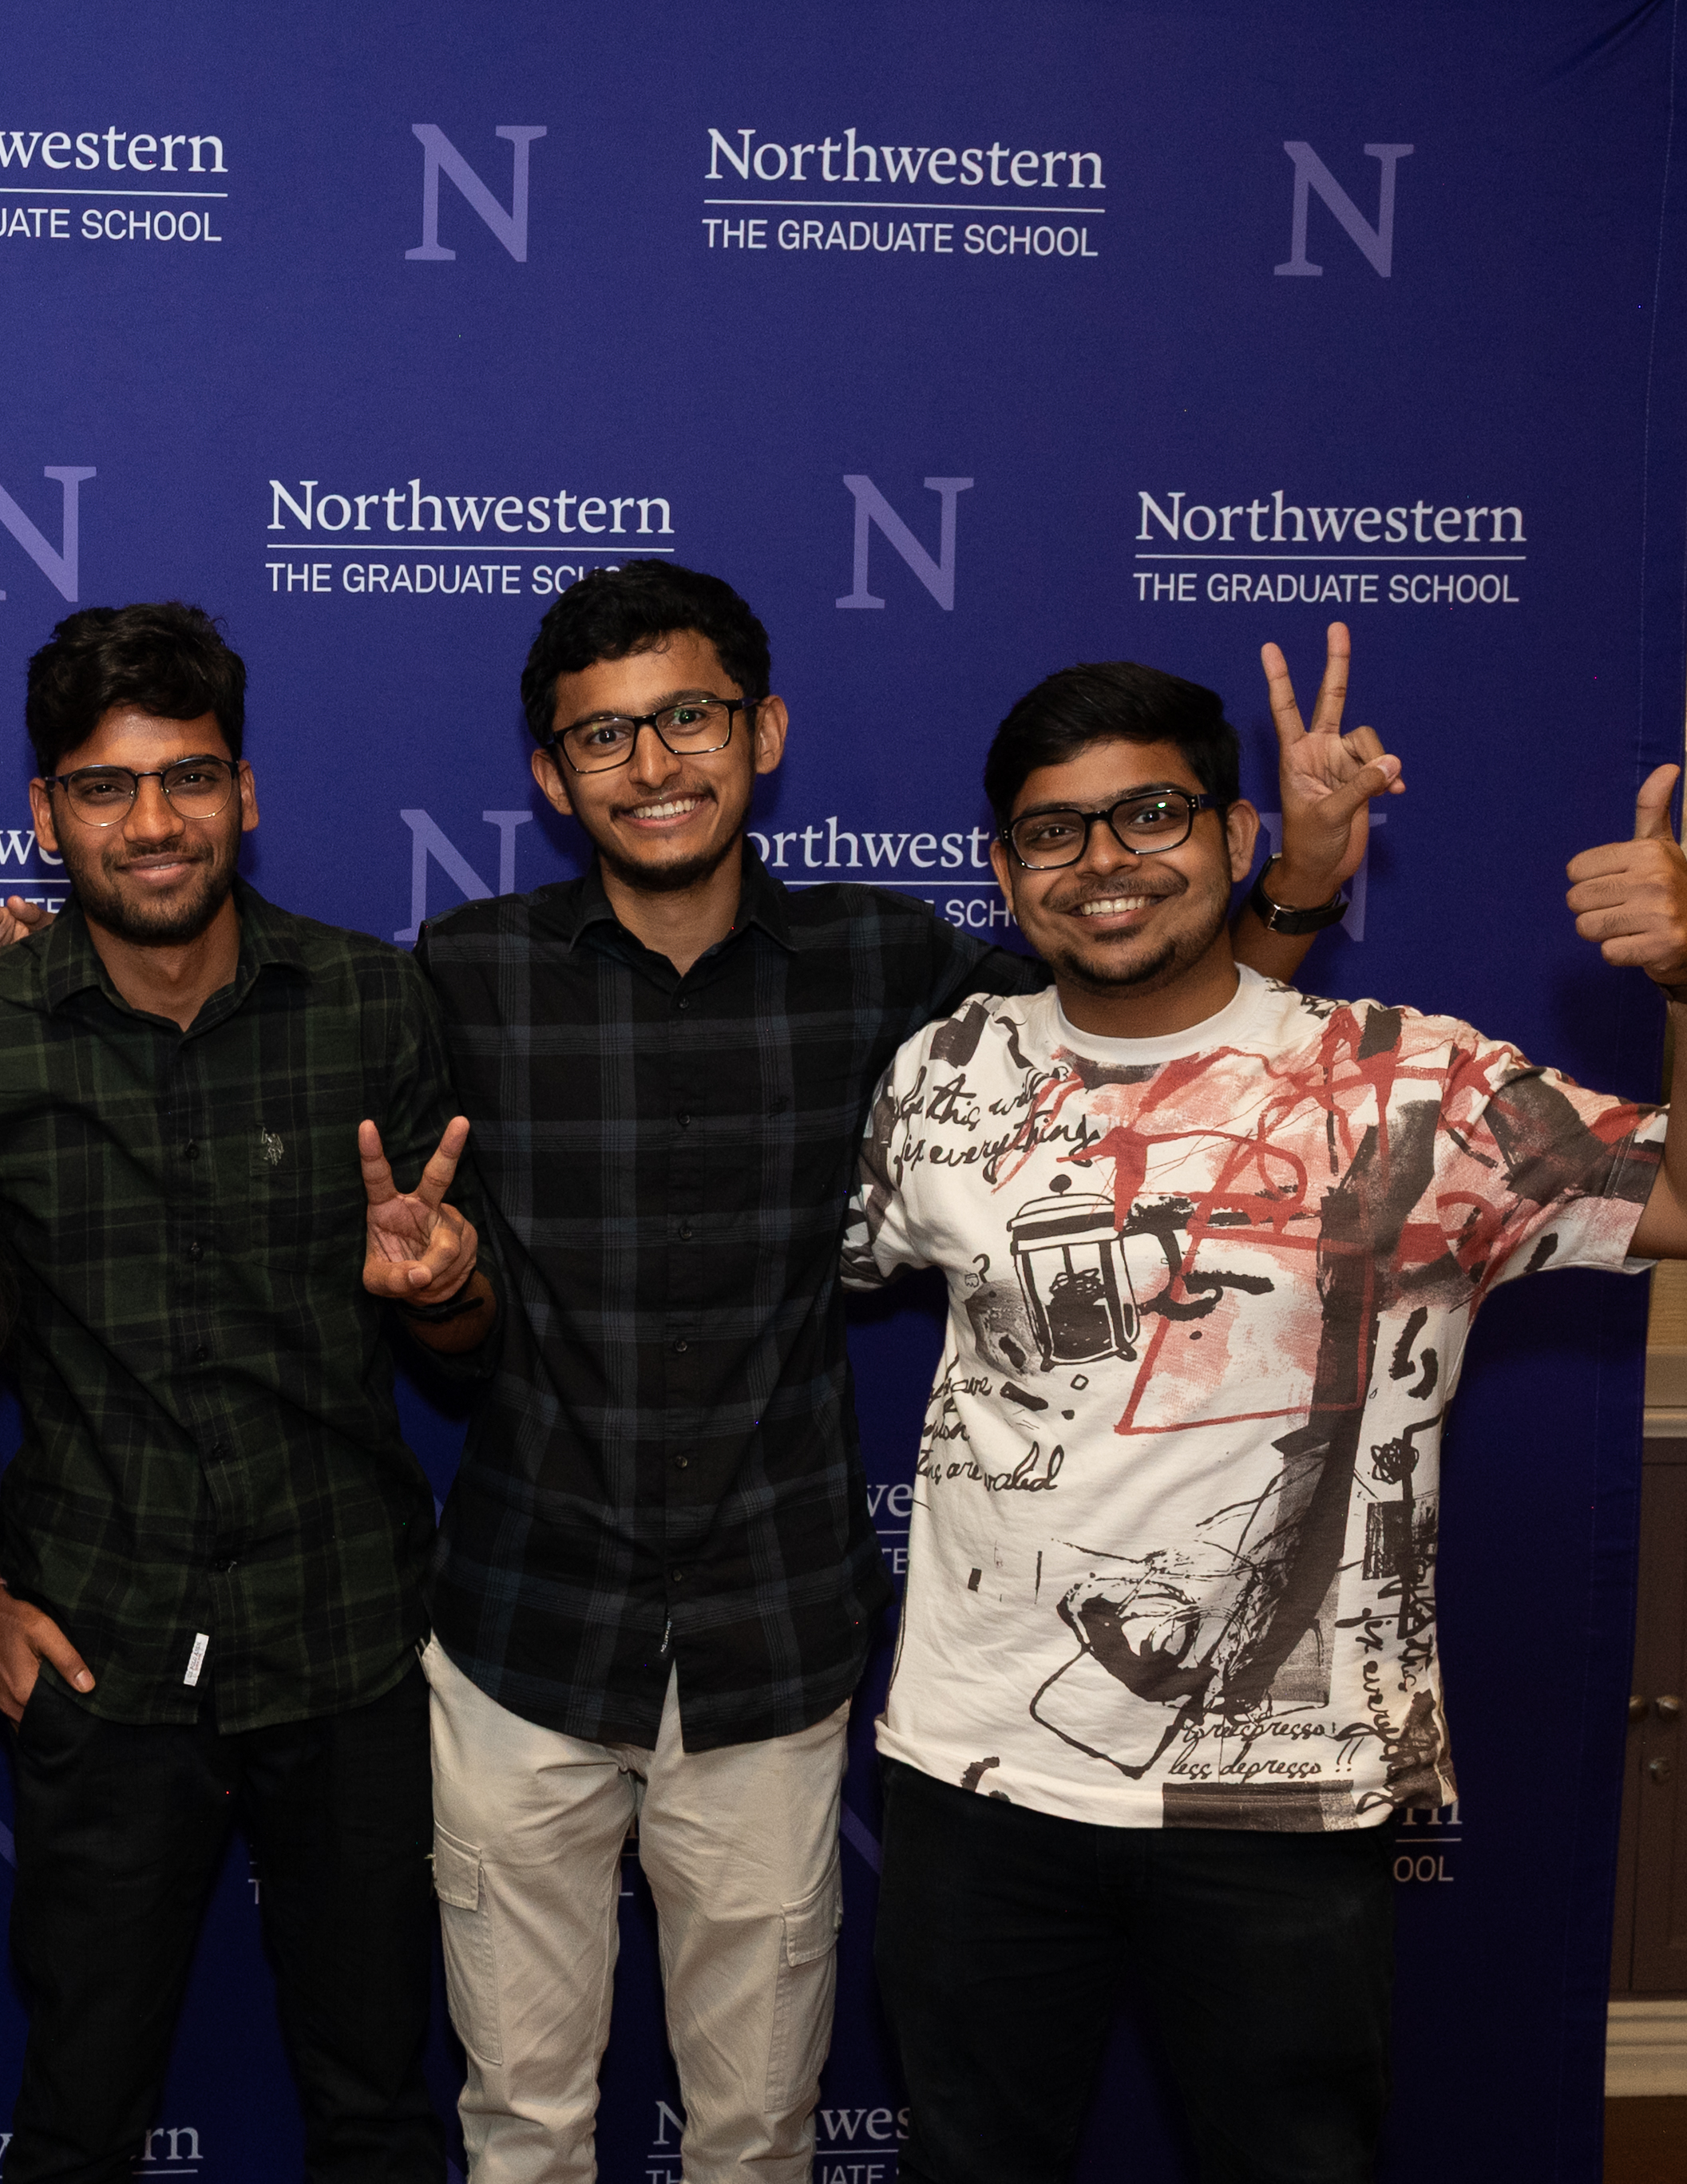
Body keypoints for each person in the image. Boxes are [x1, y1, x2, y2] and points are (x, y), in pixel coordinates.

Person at [400, 564, 1386, 2182]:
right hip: (521, 1631)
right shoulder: (461, 972)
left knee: (756, 2131)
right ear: (547, 774)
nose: (649, 766)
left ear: (762, 729)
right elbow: (386, 1226)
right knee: (518, 2123)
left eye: (687, 718)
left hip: (768, 1641)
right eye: (601, 737)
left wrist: (1300, 881)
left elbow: (1160, 1027)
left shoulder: (900, 974)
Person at [845, 662, 1686, 2181]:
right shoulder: (940, 1070)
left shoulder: (1410, 1083)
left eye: (1150, 815)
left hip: (1280, 1795)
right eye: (1054, 832)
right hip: (977, 1777)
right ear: (1001, 869)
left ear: (1235, 834)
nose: (1102, 863)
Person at [0, 600, 493, 2184]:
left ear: (244, 790)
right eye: (103, 787)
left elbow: (470, 1342)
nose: (152, 821)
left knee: (377, 2102)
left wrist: (446, 1287)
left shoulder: (372, 1004)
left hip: (350, 1639)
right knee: (76, 2107)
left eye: (186, 778)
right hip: (99, 1650)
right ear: (43, 813)